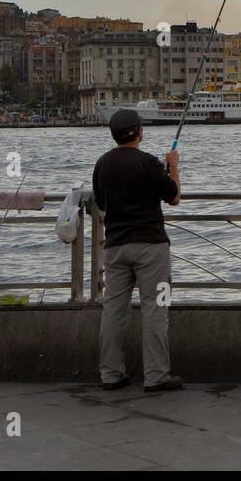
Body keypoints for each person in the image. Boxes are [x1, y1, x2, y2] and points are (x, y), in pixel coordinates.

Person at [93, 108, 183, 392]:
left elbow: (102, 203)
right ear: (139, 132)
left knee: (113, 311)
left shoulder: (102, 164)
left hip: (115, 247)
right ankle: (156, 376)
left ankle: (111, 374)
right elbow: (174, 198)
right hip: (151, 247)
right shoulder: (149, 163)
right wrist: (173, 167)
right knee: (155, 310)